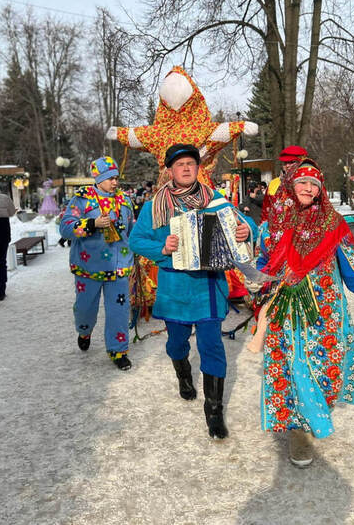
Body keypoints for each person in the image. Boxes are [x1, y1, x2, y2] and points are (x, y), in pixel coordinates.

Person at [249, 158, 354, 468]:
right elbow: (262, 265)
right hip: (287, 312)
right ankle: (299, 432)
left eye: (314, 184)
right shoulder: (272, 225)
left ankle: (315, 413)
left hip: (326, 312)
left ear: (320, 190)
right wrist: (256, 282)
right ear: (291, 185)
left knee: (327, 369)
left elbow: (353, 266)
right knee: (292, 369)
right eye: (302, 182)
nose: (307, 188)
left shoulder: (333, 224)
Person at [129, 143, 254, 439]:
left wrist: (247, 230)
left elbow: (245, 223)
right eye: (180, 164)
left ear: (198, 168)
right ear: (170, 171)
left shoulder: (216, 200)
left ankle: (214, 412)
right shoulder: (154, 207)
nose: (186, 168)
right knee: (176, 343)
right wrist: (162, 248)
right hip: (175, 289)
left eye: (190, 163)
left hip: (208, 286)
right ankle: (183, 373)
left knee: (212, 346)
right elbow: (136, 240)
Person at [58, 156, 135, 371]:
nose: (115, 182)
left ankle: (118, 350)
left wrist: (136, 252)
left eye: (116, 178)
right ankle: (84, 331)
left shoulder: (124, 200)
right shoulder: (82, 199)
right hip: (88, 267)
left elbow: (132, 230)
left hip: (118, 267)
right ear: (98, 178)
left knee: (119, 311)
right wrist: (92, 223)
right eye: (110, 178)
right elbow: (65, 228)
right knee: (85, 308)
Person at [261, 145, 308, 223]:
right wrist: (264, 228)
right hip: (276, 227)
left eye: (292, 162)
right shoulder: (274, 184)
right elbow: (266, 211)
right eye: (285, 163)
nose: (287, 165)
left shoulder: (310, 183)